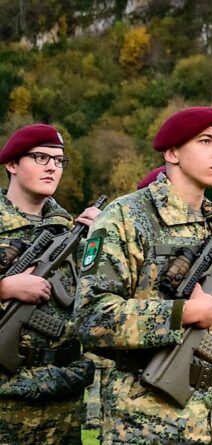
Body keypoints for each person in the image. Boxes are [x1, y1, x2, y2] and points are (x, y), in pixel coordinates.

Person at [75, 107, 212, 443]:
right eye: (206, 141)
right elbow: (91, 316)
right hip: (151, 420)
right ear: (172, 153)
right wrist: (181, 313)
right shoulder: (126, 217)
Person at [0, 124, 101, 444]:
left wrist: (100, 238)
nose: (52, 167)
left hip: (63, 393)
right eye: (40, 157)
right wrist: (4, 288)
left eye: (59, 161)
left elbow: (98, 293)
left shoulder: (69, 230)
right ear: (12, 165)